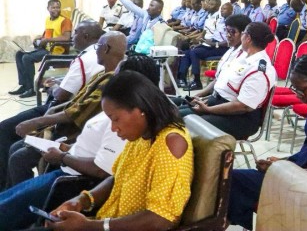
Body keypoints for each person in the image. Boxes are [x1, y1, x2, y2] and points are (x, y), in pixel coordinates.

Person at [0, 55, 159, 231]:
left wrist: (62, 157)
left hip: (72, 180)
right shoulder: (122, 111)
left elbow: (104, 170)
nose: (110, 79)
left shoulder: (129, 122)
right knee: (7, 199)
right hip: (72, 169)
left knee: (5, 209)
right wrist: (68, 149)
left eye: (116, 76)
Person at [40, 70, 193, 230]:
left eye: (115, 119)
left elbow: (161, 219)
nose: (113, 128)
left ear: (140, 110)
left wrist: (89, 226)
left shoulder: (171, 142)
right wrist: (81, 201)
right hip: (108, 219)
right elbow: (117, 177)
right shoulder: (142, 135)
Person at [227, 54, 307, 230]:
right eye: (294, 88)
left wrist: (285, 172)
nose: (298, 95)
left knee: (233, 181)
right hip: (302, 172)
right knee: (232, 180)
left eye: (301, 89)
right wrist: (281, 164)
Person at [4, 32, 127, 189]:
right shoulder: (102, 73)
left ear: (106, 49)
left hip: (75, 134)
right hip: (68, 127)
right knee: (16, 148)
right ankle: (9, 194)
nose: (95, 51)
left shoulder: (112, 80)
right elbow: (75, 103)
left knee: (19, 157)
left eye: (98, 47)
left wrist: (38, 122)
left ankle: (20, 199)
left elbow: (78, 111)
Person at [185, 22, 277, 140]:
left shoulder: (259, 69)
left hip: (240, 119)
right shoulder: (243, 56)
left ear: (248, 38)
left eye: (243, 33)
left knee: (186, 124)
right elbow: (223, 85)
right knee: (175, 113)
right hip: (222, 105)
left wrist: (208, 110)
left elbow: (243, 106)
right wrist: (204, 99)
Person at [176, 14, 252, 114]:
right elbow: (218, 80)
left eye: (232, 32)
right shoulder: (231, 51)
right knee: (175, 107)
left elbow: (242, 105)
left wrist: (208, 108)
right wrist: (199, 95)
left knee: (178, 114)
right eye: (227, 31)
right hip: (215, 99)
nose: (228, 35)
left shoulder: (246, 58)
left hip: (227, 106)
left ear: (244, 34)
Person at [10, 0, 73, 99]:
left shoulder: (65, 21)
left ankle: (32, 89)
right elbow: (48, 34)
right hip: (46, 48)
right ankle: (24, 85)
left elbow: (66, 38)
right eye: (53, 7)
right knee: (19, 54)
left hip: (55, 51)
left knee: (27, 58)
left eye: (58, 7)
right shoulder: (48, 19)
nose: (56, 9)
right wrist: (40, 38)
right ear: (48, 8)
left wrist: (47, 40)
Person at [178, 0, 231, 90]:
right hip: (214, 44)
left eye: (224, 9)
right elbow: (209, 34)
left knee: (194, 52)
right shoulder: (219, 20)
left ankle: (197, 81)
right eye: (222, 9)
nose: (222, 10)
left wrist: (212, 43)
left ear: (231, 11)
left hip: (223, 48)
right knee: (188, 51)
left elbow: (227, 42)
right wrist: (201, 42)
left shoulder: (229, 22)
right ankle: (181, 78)